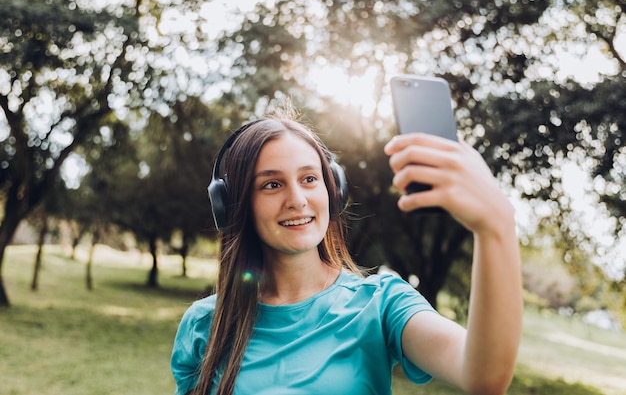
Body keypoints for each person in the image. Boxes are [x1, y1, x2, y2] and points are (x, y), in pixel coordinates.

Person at [170, 106, 523, 395]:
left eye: (310, 179)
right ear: (233, 205)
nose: (297, 199)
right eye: (272, 184)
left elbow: (484, 375)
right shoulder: (205, 324)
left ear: (332, 191)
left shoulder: (383, 304)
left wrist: (496, 228)